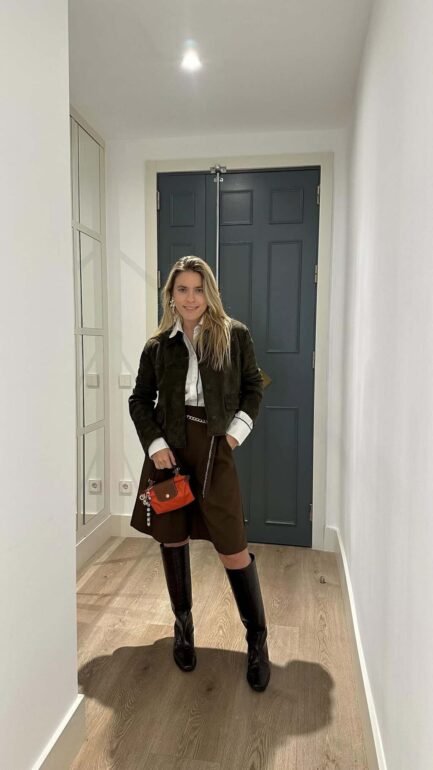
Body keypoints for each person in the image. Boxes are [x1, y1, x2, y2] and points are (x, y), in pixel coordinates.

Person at [129, 256, 270, 692]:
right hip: (169, 453)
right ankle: (183, 628)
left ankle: (257, 640)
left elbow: (253, 387)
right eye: (182, 289)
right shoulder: (158, 347)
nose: (191, 298)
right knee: (173, 538)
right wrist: (155, 445)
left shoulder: (234, 335)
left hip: (214, 449)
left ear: (210, 293)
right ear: (171, 295)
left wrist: (233, 436)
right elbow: (139, 400)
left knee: (233, 548)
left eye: (198, 289)